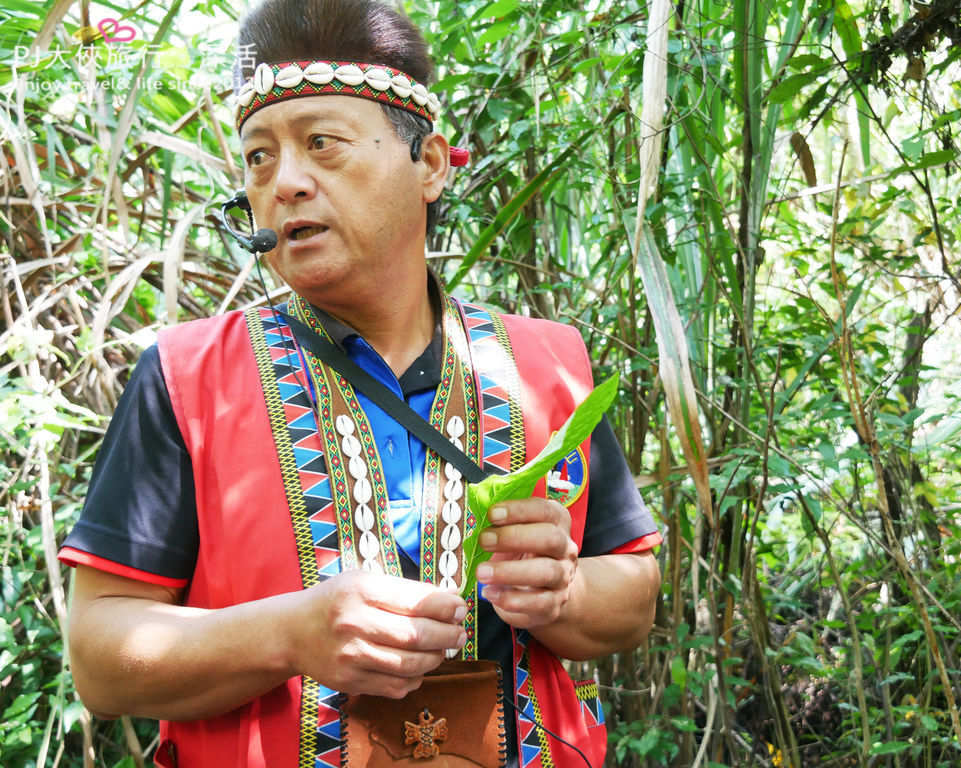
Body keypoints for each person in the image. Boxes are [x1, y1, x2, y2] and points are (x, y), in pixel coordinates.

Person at [59, 1, 661, 765]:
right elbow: (101, 656)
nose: (285, 183)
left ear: (431, 164)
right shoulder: (184, 377)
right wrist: (286, 634)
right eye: (258, 157)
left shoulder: (548, 363)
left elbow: (634, 592)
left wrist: (562, 593)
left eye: (322, 144)